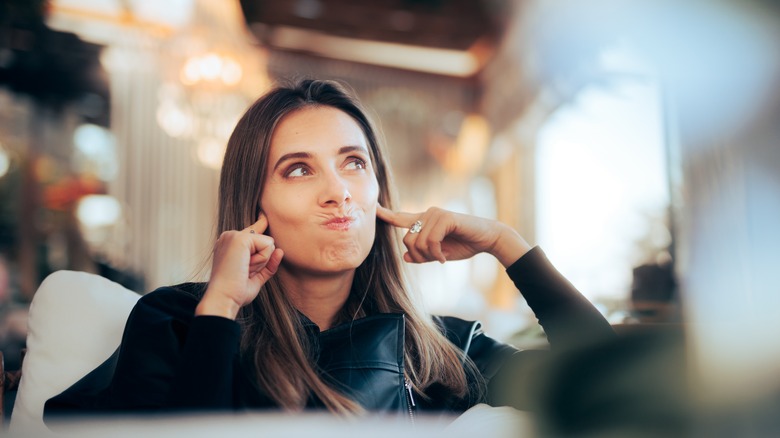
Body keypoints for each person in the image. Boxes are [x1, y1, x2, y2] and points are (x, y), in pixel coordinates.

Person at [44, 79, 614, 421]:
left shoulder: (438, 352)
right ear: (253, 201)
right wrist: (219, 308)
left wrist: (505, 245)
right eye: (298, 169)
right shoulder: (179, 321)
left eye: (353, 162)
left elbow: (607, 386)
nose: (338, 190)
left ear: (377, 191)